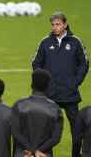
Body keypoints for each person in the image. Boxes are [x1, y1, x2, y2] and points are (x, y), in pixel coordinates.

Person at [32, 11, 89, 153]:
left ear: (65, 24)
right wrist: (44, 85)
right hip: (50, 95)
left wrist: (75, 82)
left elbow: (84, 64)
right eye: (53, 25)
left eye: (58, 24)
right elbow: (36, 64)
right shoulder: (45, 42)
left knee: (77, 133)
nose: (55, 27)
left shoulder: (76, 42)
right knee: (46, 132)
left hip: (70, 94)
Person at [11, 69, 63, 157]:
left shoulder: (19, 105)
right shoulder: (55, 109)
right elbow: (55, 138)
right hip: (43, 154)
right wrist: (37, 151)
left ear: (32, 84)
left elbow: (15, 132)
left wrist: (32, 150)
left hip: (22, 154)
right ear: (47, 86)